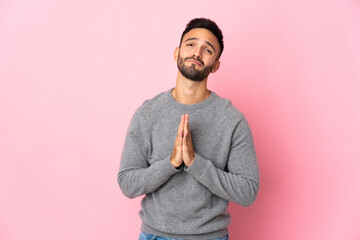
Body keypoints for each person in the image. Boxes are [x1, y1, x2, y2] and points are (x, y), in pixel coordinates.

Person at [118, 18, 260, 240]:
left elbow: (248, 191)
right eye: (191, 44)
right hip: (155, 236)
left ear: (215, 65)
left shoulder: (233, 120)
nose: (197, 53)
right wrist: (171, 164)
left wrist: (195, 163)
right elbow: (127, 182)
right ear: (176, 52)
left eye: (207, 49)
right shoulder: (148, 113)